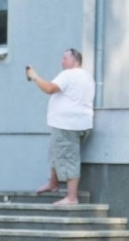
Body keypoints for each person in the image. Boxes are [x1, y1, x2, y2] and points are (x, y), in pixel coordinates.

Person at [25, 49, 95, 207]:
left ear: (74, 60)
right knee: (55, 152)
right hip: (81, 124)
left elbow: (49, 88)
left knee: (69, 158)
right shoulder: (87, 76)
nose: (61, 61)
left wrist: (34, 76)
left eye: (65, 58)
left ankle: (71, 198)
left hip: (67, 125)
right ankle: (53, 183)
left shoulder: (68, 75)